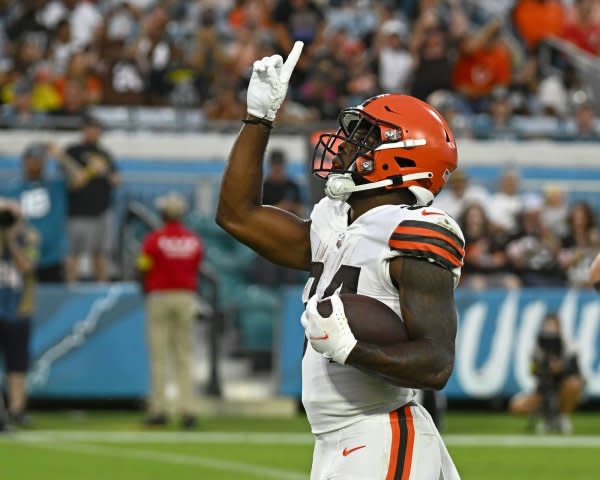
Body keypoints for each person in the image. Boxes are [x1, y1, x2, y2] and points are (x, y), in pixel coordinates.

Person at [216, 42, 462, 479]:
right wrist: (258, 119)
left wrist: (352, 349)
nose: (346, 144)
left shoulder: (415, 231)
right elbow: (237, 215)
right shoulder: (334, 221)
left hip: (382, 431)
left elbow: (436, 363)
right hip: (338, 440)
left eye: (365, 136)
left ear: (403, 154)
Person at [137, 192, 203, 429]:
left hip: (160, 296)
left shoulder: (154, 239)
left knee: (159, 357)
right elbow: (196, 266)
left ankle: (159, 410)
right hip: (185, 296)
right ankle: (188, 410)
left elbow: (143, 267)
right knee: (184, 355)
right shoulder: (193, 239)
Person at [6, 142, 86, 283]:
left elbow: (80, 178)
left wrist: (60, 156)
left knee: (54, 298)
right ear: (24, 162)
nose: (34, 164)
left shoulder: (56, 184)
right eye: (30, 160)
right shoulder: (13, 189)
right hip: (24, 255)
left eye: (38, 160)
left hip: (54, 254)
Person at [64, 115, 121, 283]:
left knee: (101, 253)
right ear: (82, 131)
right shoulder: (73, 151)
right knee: (74, 253)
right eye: (89, 129)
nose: (93, 132)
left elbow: (115, 179)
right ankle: (70, 289)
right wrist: (88, 171)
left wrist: (106, 172)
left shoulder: (105, 154)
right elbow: (72, 180)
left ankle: (102, 290)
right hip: (79, 212)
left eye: (96, 129)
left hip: (102, 211)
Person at [509, 312, 584, 434]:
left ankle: (563, 417)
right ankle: (547, 418)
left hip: (563, 389)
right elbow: (533, 373)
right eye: (547, 326)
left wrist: (561, 368)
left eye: (553, 327)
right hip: (543, 390)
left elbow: (576, 373)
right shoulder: (537, 349)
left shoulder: (569, 348)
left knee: (573, 384)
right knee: (516, 406)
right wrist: (542, 365)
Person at [0, 198, 38, 427]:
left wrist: (11, 241)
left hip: (17, 309)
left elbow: (28, 266)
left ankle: (16, 409)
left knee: (17, 363)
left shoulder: (28, 237)